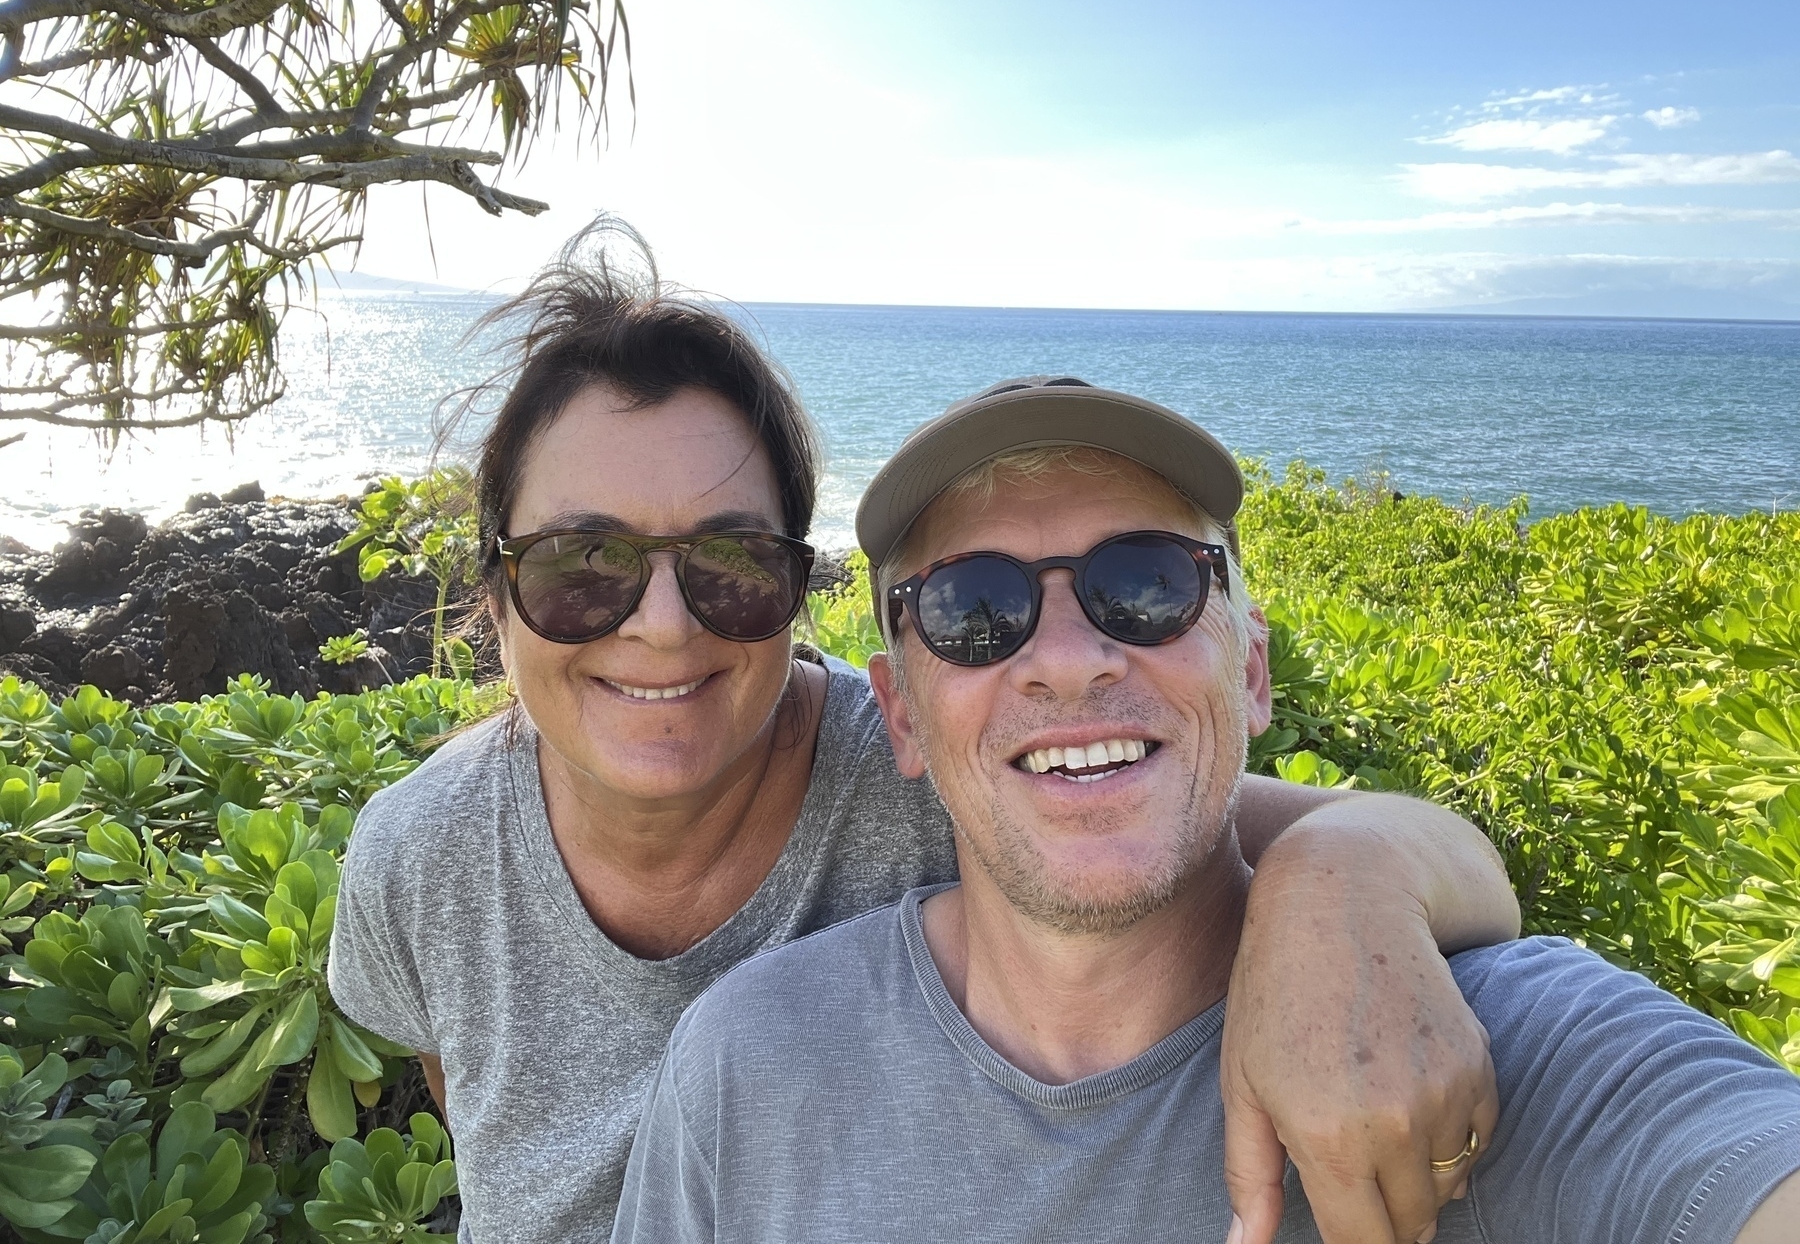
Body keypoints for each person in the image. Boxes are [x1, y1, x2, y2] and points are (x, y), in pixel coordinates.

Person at [328, 225, 1522, 1244]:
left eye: (730, 562)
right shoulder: (422, 855)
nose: (659, 625)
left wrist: (1337, 880)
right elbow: (470, 1111)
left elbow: (1369, 841)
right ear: (493, 597)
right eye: (581, 563)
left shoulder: (934, 774)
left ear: (799, 596)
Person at [611, 377, 1800, 1244]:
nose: (1068, 662)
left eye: (1147, 586)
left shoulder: (1489, 1046)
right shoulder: (746, 1069)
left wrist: (1345, 864)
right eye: (975, 609)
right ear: (905, 715)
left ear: (1253, 671)